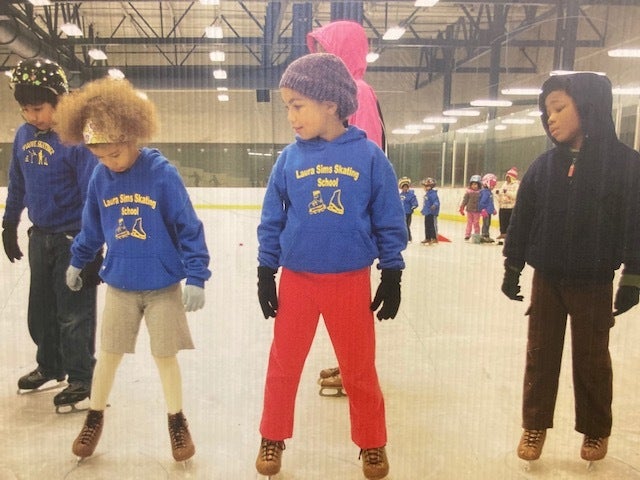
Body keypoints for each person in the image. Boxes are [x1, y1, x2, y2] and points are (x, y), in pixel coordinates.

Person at [255, 53, 406, 480]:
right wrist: (267, 270)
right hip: (298, 280)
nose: (290, 115)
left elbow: (388, 217)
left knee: (359, 370)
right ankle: (272, 434)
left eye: (297, 104)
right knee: (283, 366)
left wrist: (392, 271)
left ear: (331, 104)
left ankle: (372, 443)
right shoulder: (288, 159)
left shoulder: (370, 157)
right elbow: (272, 218)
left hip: (350, 281)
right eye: (286, 105)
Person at [53, 78, 211, 462]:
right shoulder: (99, 178)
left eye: (116, 154)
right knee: (107, 354)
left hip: (162, 285)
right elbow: (92, 228)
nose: (110, 163)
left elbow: (189, 227)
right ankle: (94, 416)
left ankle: (176, 420)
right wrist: (78, 258)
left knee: (164, 355)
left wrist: (197, 276)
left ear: (133, 137)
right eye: (101, 156)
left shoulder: (162, 174)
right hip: (120, 284)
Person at [502, 72, 640, 464]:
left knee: (592, 358)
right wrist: (512, 266)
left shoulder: (627, 166)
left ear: (589, 107)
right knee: (540, 354)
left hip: (594, 279)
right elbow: (523, 218)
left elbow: (637, 223)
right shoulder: (544, 166)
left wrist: (633, 276)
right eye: (547, 111)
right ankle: (535, 424)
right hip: (547, 277)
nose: (551, 118)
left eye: (560, 108)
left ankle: (596, 428)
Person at [3, 57, 100, 412]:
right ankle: (50, 365)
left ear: (59, 100)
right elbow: (17, 183)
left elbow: (93, 194)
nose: (33, 116)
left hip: (73, 239)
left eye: (39, 108)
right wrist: (9, 223)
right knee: (41, 310)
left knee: (73, 312)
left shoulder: (75, 139)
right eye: (27, 109)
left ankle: (80, 375)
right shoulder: (24, 136)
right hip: (40, 236)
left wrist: (94, 248)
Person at [307, 19, 387, 396]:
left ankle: (357, 373)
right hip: (340, 214)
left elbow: (363, 154)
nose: (319, 58)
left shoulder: (357, 90)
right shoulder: (346, 93)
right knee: (345, 304)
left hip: (350, 216)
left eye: (326, 50)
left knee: (351, 306)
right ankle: (350, 365)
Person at [496, 167, 520, 244]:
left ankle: (510, 236)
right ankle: (503, 234)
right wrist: (499, 194)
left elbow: (516, 196)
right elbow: (501, 192)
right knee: (503, 222)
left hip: (511, 207)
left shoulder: (516, 185)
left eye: (509, 177)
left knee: (510, 222)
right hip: (503, 206)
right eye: (506, 176)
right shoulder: (504, 184)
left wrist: (507, 193)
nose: (507, 178)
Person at [459, 174, 482, 241]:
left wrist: (483, 209)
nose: (474, 186)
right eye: (472, 184)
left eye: (476, 184)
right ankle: (467, 234)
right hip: (469, 210)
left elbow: (482, 201)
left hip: (477, 211)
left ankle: (477, 234)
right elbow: (465, 200)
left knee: (476, 223)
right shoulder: (468, 192)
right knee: (469, 223)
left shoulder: (481, 193)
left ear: (479, 185)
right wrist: (462, 207)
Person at [420, 177, 440, 245]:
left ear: (431, 186)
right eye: (425, 186)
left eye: (427, 186)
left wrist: (435, 205)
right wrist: (423, 210)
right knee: (427, 226)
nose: (425, 188)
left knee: (432, 226)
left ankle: (434, 238)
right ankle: (427, 238)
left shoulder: (433, 194)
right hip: (427, 213)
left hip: (432, 213)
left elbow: (436, 201)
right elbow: (426, 204)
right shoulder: (427, 194)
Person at [398, 176, 418, 243]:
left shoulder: (411, 195)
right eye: (403, 187)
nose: (405, 188)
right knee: (402, 225)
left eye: (406, 187)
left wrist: (414, 206)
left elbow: (414, 201)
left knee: (407, 225)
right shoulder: (400, 195)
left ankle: (409, 238)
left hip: (408, 212)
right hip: (401, 213)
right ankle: (403, 238)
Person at [479, 173, 497, 243]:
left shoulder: (489, 192)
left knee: (488, 223)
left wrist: (493, 209)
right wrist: (483, 209)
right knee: (485, 223)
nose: (494, 186)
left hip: (489, 211)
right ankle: (484, 235)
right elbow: (482, 202)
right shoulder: (485, 192)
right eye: (493, 184)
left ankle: (487, 235)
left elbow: (490, 203)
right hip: (485, 211)